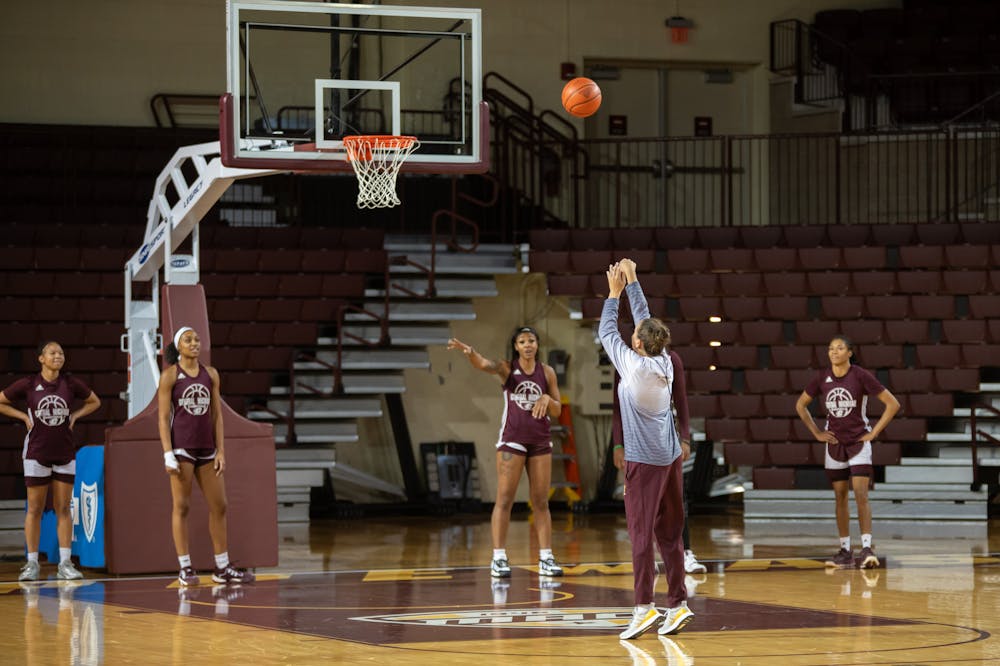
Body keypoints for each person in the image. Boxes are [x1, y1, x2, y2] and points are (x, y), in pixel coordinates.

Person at [600, 259, 693, 640]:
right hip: (670, 458)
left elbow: (607, 329)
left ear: (637, 344)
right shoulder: (666, 361)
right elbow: (645, 320)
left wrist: (614, 293)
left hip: (645, 463)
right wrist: (636, 279)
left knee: (640, 536)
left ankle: (643, 608)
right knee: (670, 533)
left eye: (636, 335)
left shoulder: (633, 366)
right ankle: (678, 603)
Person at [447, 326, 565, 579]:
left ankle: (546, 557)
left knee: (541, 502)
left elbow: (557, 410)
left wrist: (547, 399)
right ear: (516, 346)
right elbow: (483, 364)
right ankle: (498, 557)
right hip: (513, 441)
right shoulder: (507, 368)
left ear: (537, 344)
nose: (527, 345)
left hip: (541, 441)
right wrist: (470, 353)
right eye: (522, 341)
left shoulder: (547, 372)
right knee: (504, 499)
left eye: (531, 340)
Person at [611, 309, 707, 576]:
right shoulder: (625, 362)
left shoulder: (669, 360)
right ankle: (648, 558)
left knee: (675, 504)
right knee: (644, 508)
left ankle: (686, 553)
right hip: (638, 446)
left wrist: (684, 436)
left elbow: (681, 400)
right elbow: (617, 407)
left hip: (665, 444)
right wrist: (618, 444)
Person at [158, 326, 254, 586]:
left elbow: (217, 415)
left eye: (197, 339)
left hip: (207, 448)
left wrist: (221, 450)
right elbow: (163, 417)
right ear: (179, 346)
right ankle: (185, 567)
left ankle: (222, 567)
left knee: (220, 505)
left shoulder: (210, 374)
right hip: (182, 449)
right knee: (182, 506)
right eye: (188, 339)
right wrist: (168, 453)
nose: (194, 343)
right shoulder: (170, 376)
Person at [795, 335, 900, 570]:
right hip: (833, 444)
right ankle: (845, 550)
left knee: (861, 493)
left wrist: (874, 433)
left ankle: (866, 548)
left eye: (840, 348)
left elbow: (892, 403)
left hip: (858, 443)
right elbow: (800, 405)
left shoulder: (860, 375)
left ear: (850, 352)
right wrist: (816, 433)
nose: (834, 352)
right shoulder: (822, 377)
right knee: (840, 496)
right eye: (831, 348)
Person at [0, 341, 101, 582]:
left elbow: (95, 401)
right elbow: (1, 401)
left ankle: (65, 563)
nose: (58, 356)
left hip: (65, 452)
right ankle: (32, 563)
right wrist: (23, 416)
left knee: (63, 508)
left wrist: (75, 415)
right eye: (52, 353)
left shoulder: (70, 383)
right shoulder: (28, 384)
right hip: (36, 452)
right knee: (34, 508)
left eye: (61, 353)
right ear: (41, 359)